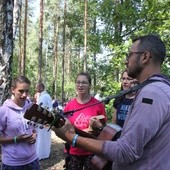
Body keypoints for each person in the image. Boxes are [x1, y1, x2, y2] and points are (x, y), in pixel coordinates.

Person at [52, 34, 170, 170]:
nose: (126, 61)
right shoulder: (162, 88)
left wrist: (71, 137)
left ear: (144, 57)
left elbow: (126, 151)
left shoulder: (151, 94)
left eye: (130, 54)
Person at [63, 72, 107, 170]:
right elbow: (65, 128)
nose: (80, 85)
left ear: (89, 85)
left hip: (92, 150)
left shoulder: (98, 104)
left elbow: (104, 129)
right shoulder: (69, 105)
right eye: (78, 82)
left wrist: (99, 126)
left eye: (84, 82)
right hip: (74, 150)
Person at [0, 75, 40, 169]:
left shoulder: (32, 108)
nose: (24, 95)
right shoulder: (3, 111)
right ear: (13, 90)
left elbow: (33, 129)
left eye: (27, 91)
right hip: (12, 163)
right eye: (21, 91)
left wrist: (34, 135)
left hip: (33, 160)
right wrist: (16, 139)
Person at [35, 82, 53, 160]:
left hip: (44, 121)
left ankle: (43, 154)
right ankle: (41, 153)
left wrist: (48, 120)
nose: (36, 89)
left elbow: (50, 109)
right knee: (41, 137)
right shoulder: (42, 96)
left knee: (44, 137)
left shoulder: (45, 96)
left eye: (37, 87)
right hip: (41, 120)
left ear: (41, 87)